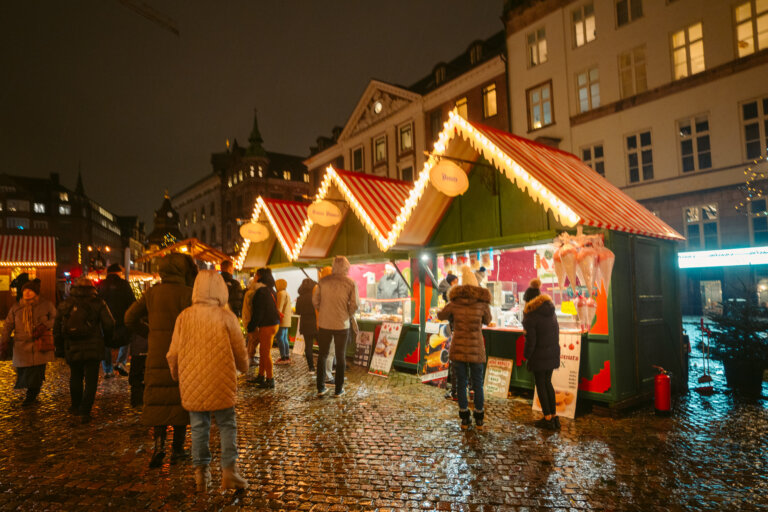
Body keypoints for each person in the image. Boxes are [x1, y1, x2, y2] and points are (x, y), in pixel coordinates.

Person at [167, 270, 249, 492]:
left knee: (199, 427)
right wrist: (244, 367)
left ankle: (201, 474)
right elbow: (240, 351)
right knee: (227, 425)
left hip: (193, 383)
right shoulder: (227, 316)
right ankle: (230, 471)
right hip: (222, 381)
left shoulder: (184, 316)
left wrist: (177, 375)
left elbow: (173, 353)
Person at [125, 253, 195, 468]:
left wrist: (149, 333)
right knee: (180, 399)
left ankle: (158, 447)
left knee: (157, 398)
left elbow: (129, 318)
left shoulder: (152, 293)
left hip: (156, 354)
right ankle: (178, 450)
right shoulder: (189, 294)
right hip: (182, 353)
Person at [437, 265, 491, 430]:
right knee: (478, 383)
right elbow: (488, 320)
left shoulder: (455, 302)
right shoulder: (482, 304)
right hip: (476, 349)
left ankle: (465, 419)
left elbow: (440, 315)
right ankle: (479, 418)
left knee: (461, 384)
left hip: (458, 349)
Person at [54, 278, 115, 423]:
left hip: (72, 345)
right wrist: (107, 340)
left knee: (75, 376)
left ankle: (75, 406)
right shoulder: (98, 303)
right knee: (91, 380)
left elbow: (56, 329)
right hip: (93, 346)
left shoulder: (65, 304)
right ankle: (85, 410)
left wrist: (60, 348)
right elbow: (110, 323)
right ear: (92, 288)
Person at [0, 279, 56, 406]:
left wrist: (45, 325)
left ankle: (31, 397)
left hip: (40, 345)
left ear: (36, 292)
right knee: (23, 372)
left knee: (37, 373)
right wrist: (4, 341)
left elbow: (55, 318)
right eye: (25, 290)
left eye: (30, 290)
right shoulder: (16, 307)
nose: (27, 293)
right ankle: (30, 393)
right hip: (21, 347)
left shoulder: (46, 305)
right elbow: (8, 325)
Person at [313, 256, 359, 397]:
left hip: (324, 324)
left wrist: (323, 311)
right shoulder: (350, 283)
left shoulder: (323, 282)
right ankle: (339, 389)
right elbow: (355, 304)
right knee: (340, 357)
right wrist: (347, 314)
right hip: (341, 324)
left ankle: (321, 388)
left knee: (322, 355)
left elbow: (315, 301)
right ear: (346, 267)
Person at [522, 278, 561, 430]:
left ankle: (547, 418)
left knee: (541, 384)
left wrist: (527, 355)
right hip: (552, 353)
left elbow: (531, 341)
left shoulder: (530, 316)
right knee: (548, 382)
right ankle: (554, 416)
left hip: (539, 355)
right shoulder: (550, 310)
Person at [97, 263, 136, 378]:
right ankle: (120, 362)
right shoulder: (124, 284)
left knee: (105, 344)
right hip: (122, 319)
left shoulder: (102, 285)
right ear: (118, 273)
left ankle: (108, 370)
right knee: (126, 340)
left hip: (105, 320)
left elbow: (97, 301)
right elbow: (132, 301)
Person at [246, 267, 280, 389]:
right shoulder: (271, 290)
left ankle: (270, 379)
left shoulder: (261, 291)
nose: (254, 277)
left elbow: (258, 312)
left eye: (255, 275)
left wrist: (251, 326)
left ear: (260, 277)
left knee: (265, 353)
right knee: (263, 351)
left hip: (267, 324)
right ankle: (261, 375)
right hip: (273, 323)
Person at [437, 273, 459, 400]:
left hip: (457, 337)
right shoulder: (475, 305)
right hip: (474, 342)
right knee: (472, 367)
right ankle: (472, 391)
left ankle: (455, 391)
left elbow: (441, 315)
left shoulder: (453, 304)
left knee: (456, 364)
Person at [295, 277, 317, 373]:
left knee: (308, 346)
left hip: (305, 324)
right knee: (323, 346)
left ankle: (311, 367)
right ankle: (325, 366)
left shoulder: (300, 298)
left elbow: (298, 312)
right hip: (316, 323)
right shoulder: (315, 296)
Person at [241, 276, 261, 369]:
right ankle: (249, 358)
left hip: (247, 319)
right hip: (251, 320)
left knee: (251, 339)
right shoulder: (252, 293)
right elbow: (252, 309)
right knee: (254, 340)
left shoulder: (248, 293)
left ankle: (249, 358)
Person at [274, 279, 293, 364]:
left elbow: (279, 308)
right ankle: (286, 355)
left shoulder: (280, 294)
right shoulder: (286, 293)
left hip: (281, 320)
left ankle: (283, 357)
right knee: (285, 338)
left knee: (280, 338)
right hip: (287, 319)